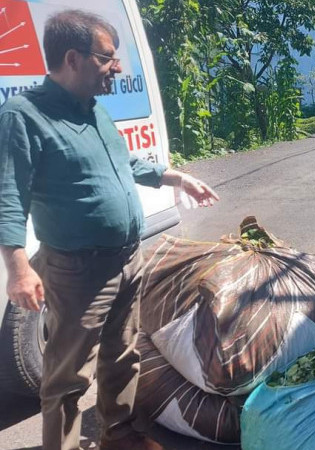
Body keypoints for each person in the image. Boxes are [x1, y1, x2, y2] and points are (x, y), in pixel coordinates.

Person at [0, 10, 219, 450]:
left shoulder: (95, 111)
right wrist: (18, 266)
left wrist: (175, 178)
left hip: (127, 259)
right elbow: (9, 194)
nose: (116, 67)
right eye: (107, 58)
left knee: (123, 355)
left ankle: (118, 435)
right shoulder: (24, 116)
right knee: (68, 376)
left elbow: (125, 164)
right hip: (78, 270)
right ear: (73, 58)